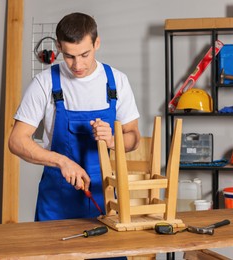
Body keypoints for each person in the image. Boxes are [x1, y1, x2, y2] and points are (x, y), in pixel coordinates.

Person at [9, 12, 140, 222]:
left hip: (103, 196)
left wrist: (113, 140)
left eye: (84, 55)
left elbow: (134, 137)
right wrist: (62, 162)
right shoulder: (45, 83)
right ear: (59, 47)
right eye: (69, 56)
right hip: (56, 201)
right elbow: (16, 140)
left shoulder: (117, 82)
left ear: (97, 43)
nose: (77, 65)